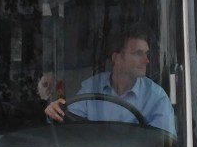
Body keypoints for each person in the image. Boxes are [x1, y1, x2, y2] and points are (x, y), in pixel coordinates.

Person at [44, 26, 175, 136]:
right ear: (117, 58)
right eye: (138, 54)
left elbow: (163, 144)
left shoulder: (156, 97)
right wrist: (55, 112)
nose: (146, 60)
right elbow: (69, 124)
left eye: (146, 54)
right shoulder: (92, 87)